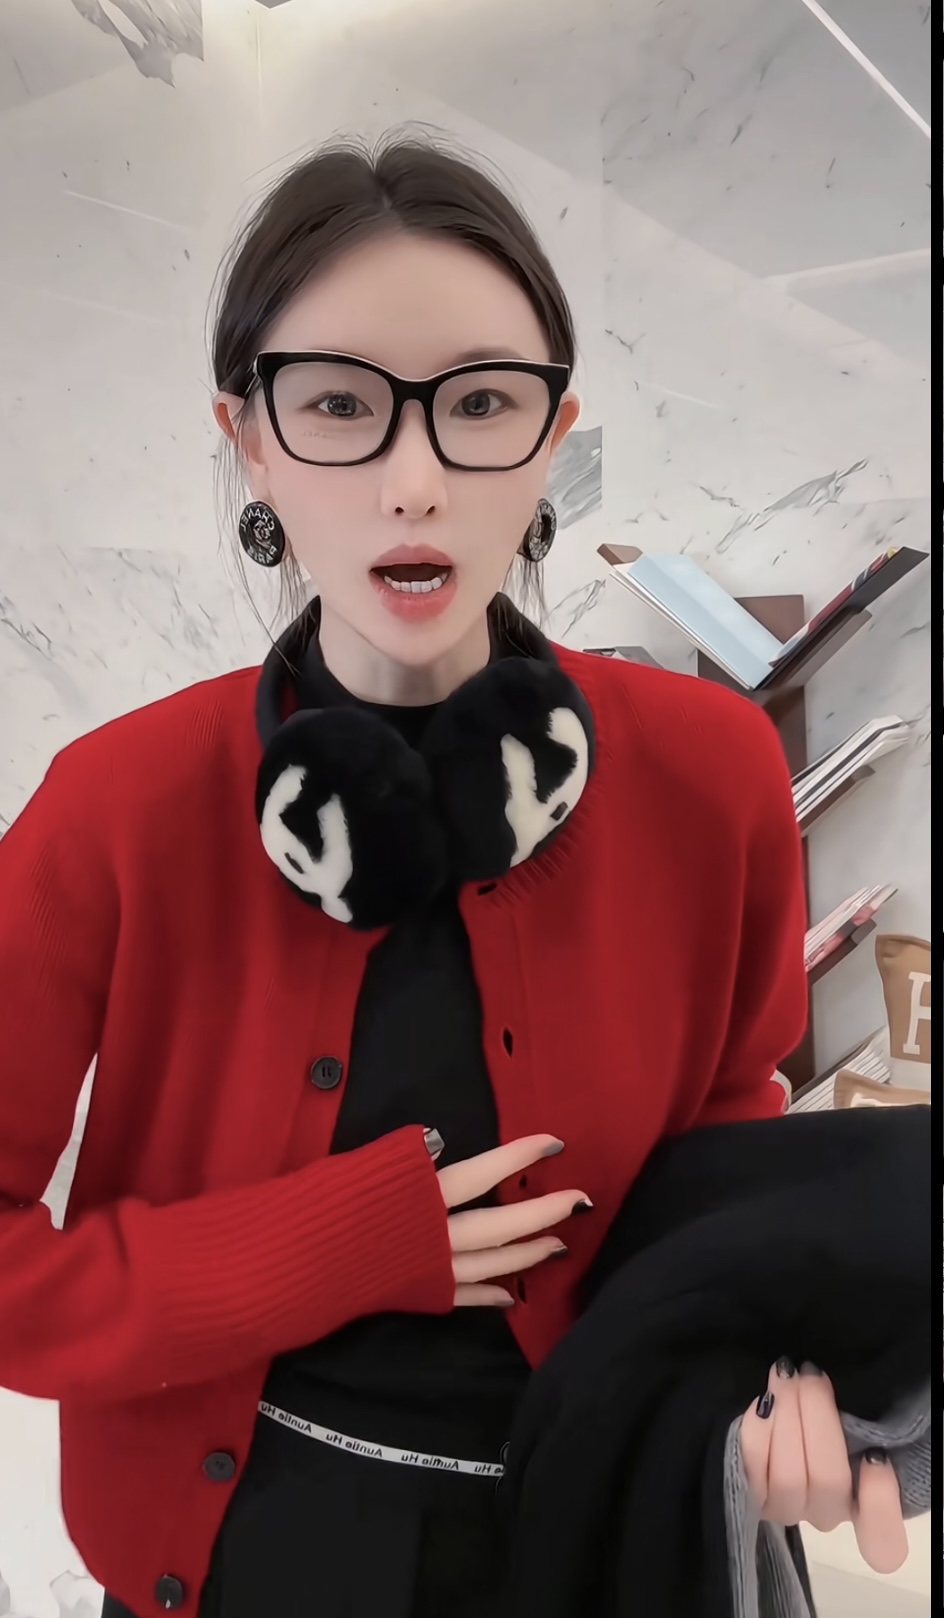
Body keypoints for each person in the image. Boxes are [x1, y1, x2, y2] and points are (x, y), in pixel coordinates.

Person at [0, 132, 909, 1618]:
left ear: (554, 437)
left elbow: (726, 1136)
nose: (413, 481)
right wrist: (332, 1247)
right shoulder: (112, 809)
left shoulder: (713, 768)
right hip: (249, 1559)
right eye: (338, 405)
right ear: (248, 438)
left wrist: (773, 1392)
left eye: (482, 402)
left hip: (619, 1532)